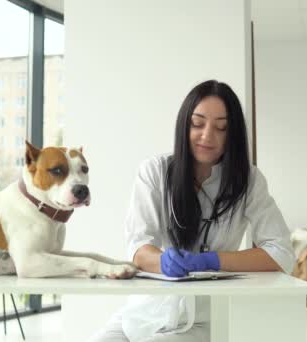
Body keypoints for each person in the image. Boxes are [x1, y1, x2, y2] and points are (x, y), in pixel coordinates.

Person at [89, 80, 295, 342]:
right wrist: (163, 262)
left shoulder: (249, 181)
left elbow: (281, 254)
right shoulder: (155, 172)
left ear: (231, 135)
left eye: (221, 127)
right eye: (198, 124)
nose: (207, 136)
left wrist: (213, 261)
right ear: (184, 125)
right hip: (146, 311)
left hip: (204, 319)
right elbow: (138, 247)